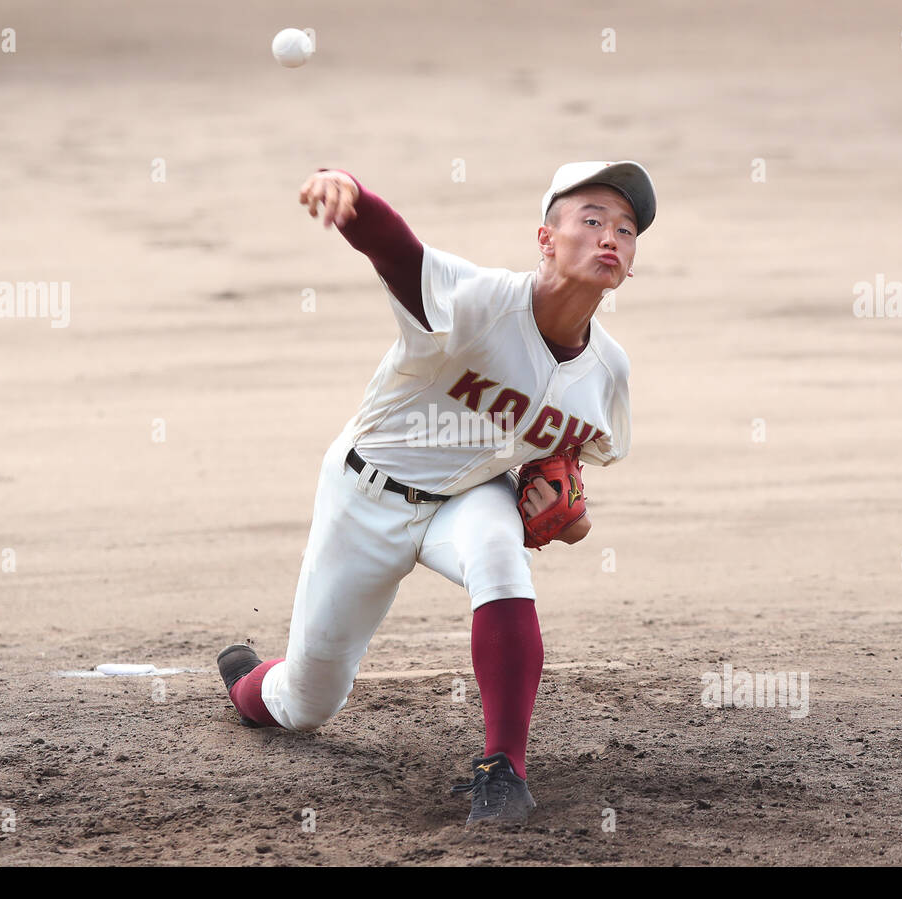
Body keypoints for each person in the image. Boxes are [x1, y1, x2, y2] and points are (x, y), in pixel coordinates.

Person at [217, 161, 656, 825]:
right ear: (546, 239)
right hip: (365, 498)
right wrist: (351, 194)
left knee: (504, 559)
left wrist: (565, 518)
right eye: (591, 220)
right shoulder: (479, 301)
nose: (610, 237)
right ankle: (251, 684)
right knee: (307, 705)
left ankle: (502, 767)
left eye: (625, 230)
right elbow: (397, 251)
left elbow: (569, 497)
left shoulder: (608, 372)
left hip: (469, 498)